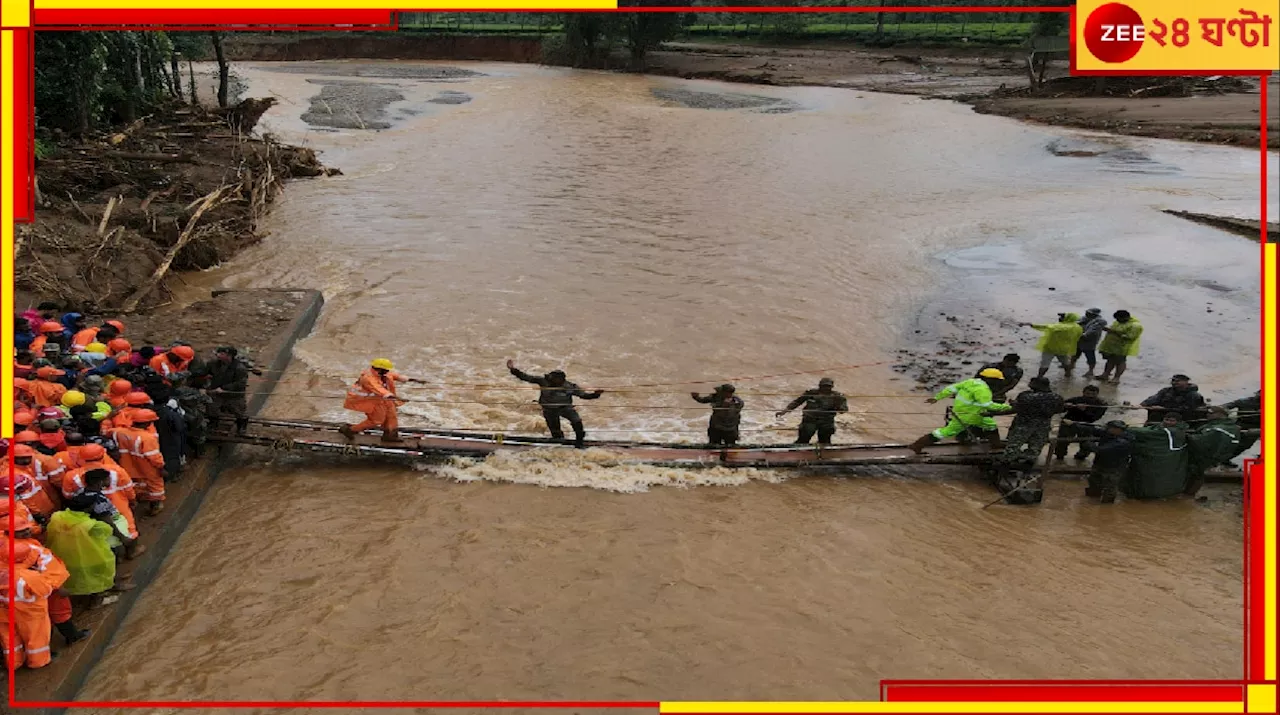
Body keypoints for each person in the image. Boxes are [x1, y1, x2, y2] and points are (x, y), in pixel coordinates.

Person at [506, 359, 604, 448]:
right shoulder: (543, 381)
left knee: (577, 422)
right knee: (556, 431)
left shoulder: (569, 386)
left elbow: (584, 395)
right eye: (551, 378)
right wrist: (513, 370)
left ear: (561, 380)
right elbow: (526, 377)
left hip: (565, 408)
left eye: (554, 379)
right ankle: (560, 444)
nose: (551, 380)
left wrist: (595, 394)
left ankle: (579, 443)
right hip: (549, 409)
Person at [909, 369, 1011, 453]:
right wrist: (1008, 407)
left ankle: (996, 444)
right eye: (997, 380)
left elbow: (951, 388)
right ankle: (917, 445)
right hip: (970, 415)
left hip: (962, 411)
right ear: (990, 379)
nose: (998, 383)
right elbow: (988, 405)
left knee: (991, 425)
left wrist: (937, 398)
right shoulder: (983, 389)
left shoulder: (970, 382)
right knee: (946, 432)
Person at [0, 540, 63, 670]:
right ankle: (38, 661)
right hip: (30, 611)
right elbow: (45, 591)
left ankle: (15, 663)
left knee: (10, 638)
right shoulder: (31, 576)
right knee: (36, 636)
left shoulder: (3, 572)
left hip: (5, 609)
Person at [994, 377, 1065, 477]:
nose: (1029, 383)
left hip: (1024, 424)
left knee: (1014, 445)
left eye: (1032, 382)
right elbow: (1059, 410)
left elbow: (1016, 409)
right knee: (1035, 446)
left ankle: (1004, 468)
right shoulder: (1057, 397)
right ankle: (1027, 467)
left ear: (1038, 384)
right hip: (1043, 425)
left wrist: (995, 412)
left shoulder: (1026, 396)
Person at [112, 409, 167, 517]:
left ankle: (140, 498)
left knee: (137, 484)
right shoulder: (147, 438)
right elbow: (155, 457)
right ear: (146, 423)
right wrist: (161, 468)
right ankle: (155, 505)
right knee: (155, 486)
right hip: (147, 467)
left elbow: (107, 432)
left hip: (128, 465)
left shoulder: (119, 432)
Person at [1124, 411, 1190, 499]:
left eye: (1172, 421)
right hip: (1159, 460)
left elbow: (1147, 433)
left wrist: (1126, 429)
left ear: (1178, 422)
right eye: (1166, 420)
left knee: (1159, 481)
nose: (1168, 422)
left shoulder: (1174, 431)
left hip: (1165, 461)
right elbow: (1148, 429)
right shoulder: (1160, 427)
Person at [339, 358, 407, 443]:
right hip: (371, 401)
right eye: (386, 370)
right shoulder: (368, 379)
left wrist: (408, 379)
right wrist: (396, 397)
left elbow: (392, 375)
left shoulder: (382, 374)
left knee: (391, 416)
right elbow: (379, 389)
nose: (387, 371)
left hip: (383, 400)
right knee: (376, 420)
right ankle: (350, 430)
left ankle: (390, 435)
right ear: (379, 369)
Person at [775, 378, 849, 445]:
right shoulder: (811, 393)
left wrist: (839, 408)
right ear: (820, 386)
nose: (826, 388)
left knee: (825, 442)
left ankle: (823, 457)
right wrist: (785, 411)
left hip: (826, 421)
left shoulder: (837, 396)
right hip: (810, 420)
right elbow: (797, 402)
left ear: (831, 387)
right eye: (824, 386)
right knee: (803, 439)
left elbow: (844, 409)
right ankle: (797, 454)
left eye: (828, 386)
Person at [1185, 406, 1241, 496]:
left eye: (1211, 413)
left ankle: (1189, 494)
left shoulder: (1218, 428)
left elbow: (1202, 440)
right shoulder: (1225, 426)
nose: (1207, 415)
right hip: (1217, 454)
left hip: (1209, 455)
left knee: (1196, 472)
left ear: (1221, 414)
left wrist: (1186, 437)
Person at [1082, 420, 1134, 503]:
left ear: (1117, 429)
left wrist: (1089, 444)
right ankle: (1090, 502)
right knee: (1093, 484)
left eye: (1109, 428)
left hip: (1113, 468)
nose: (1107, 429)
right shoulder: (1110, 433)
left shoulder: (1123, 442)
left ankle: (1106, 509)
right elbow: (1093, 430)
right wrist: (1074, 424)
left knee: (1109, 489)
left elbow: (1100, 450)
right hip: (1100, 464)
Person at [1054, 384, 1109, 461]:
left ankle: (1081, 456)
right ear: (1083, 393)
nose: (1090, 396)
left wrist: (1084, 410)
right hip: (1069, 422)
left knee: (1086, 443)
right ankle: (1059, 456)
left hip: (1087, 424)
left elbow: (1094, 418)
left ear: (1097, 394)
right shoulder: (1076, 400)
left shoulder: (1101, 404)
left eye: (1093, 394)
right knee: (1062, 442)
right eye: (1088, 394)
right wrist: (1065, 406)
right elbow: (1058, 409)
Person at [1019, 312, 1083, 378]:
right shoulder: (1077, 328)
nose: (1060, 318)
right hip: (1063, 349)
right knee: (1065, 363)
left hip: (1049, 348)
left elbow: (1044, 327)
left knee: (1045, 365)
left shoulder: (1057, 326)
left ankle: (1039, 377)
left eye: (1062, 317)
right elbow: (1078, 337)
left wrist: (1030, 324)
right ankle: (1068, 376)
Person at [204, 346, 250, 436]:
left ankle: (241, 426)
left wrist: (224, 388)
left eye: (221, 354)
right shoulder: (212, 364)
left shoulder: (240, 368)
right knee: (211, 407)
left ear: (229, 356)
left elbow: (240, 384)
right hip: (216, 393)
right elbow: (205, 373)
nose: (218, 355)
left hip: (234, 394)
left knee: (239, 411)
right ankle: (213, 424)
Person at [1140, 374, 1207, 425]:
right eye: (1173, 380)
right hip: (1165, 415)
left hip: (1185, 418)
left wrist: (1165, 408)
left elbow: (1187, 409)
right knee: (1154, 415)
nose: (1174, 382)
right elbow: (1155, 398)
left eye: (1177, 381)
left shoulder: (1194, 395)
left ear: (1186, 382)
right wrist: (1144, 403)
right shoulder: (1166, 391)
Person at [1098, 310, 1143, 383]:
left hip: (1122, 347)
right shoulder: (1118, 322)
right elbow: (1113, 329)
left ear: (1125, 317)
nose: (1117, 320)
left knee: (1120, 362)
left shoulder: (1135, 326)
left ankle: (1116, 378)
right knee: (1110, 360)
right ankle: (1105, 374)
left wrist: (1114, 332)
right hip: (1111, 346)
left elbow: (1130, 337)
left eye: (1119, 319)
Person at [1221, 390, 1261, 466]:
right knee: (1240, 445)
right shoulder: (1244, 401)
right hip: (1244, 426)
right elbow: (1226, 406)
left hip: (1259, 426)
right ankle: (1224, 459)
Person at [1070, 308, 1108, 376]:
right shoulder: (1084, 318)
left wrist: (1083, 335)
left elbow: (1093, 332)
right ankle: (1072, 365)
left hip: (1089, 341)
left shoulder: (1098, 322)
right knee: (1075, 354)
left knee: (1090, 356)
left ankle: (1091, 371)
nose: (1086, 313)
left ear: (1094, 314)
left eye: (1089, 313)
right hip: (1079, 340)